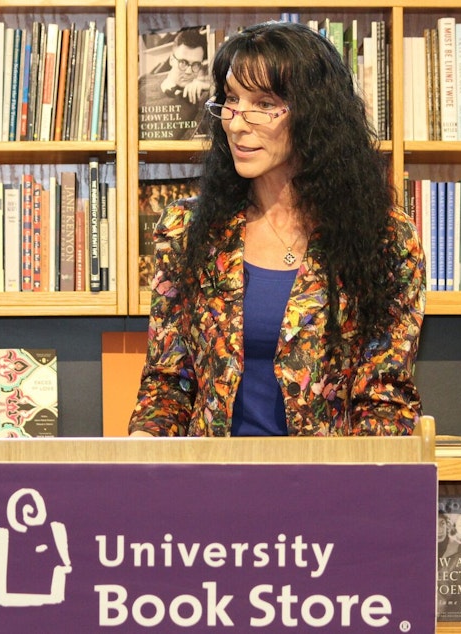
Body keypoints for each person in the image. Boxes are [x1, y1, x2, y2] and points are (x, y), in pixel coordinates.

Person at [128, 20, 425, 437]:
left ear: (314, 115)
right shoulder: (186, 229)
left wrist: (364, 495)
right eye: (231, 99)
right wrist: (142, 452)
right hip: (210, 487)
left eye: (264, 103)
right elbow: (167, 382)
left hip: (328, 490)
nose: (235, 122)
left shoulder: (386, 239)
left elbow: (384, 397)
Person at [138, 26, 212, 140]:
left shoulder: (202, 96)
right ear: (172, 60)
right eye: (183, 63)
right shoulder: (144, 82)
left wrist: (208, 86)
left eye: (196, 65)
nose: (188, 71)